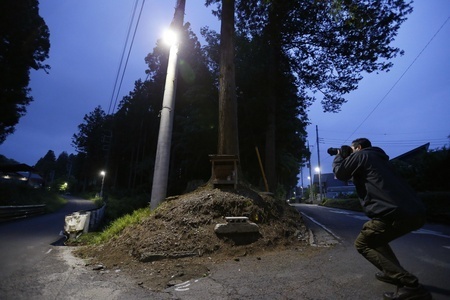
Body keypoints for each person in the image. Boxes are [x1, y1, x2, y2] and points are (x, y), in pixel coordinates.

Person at [331, 138, 432, 300]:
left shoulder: (361, 155)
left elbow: (340, 173)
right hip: (414, 211)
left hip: (392, 213)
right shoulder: (380, 159)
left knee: (363, 243)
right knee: (376, 240)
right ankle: (393, 273)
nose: (350, 152)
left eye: (352, 149)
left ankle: (410, 285)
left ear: (358, 147)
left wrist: (339, 156)